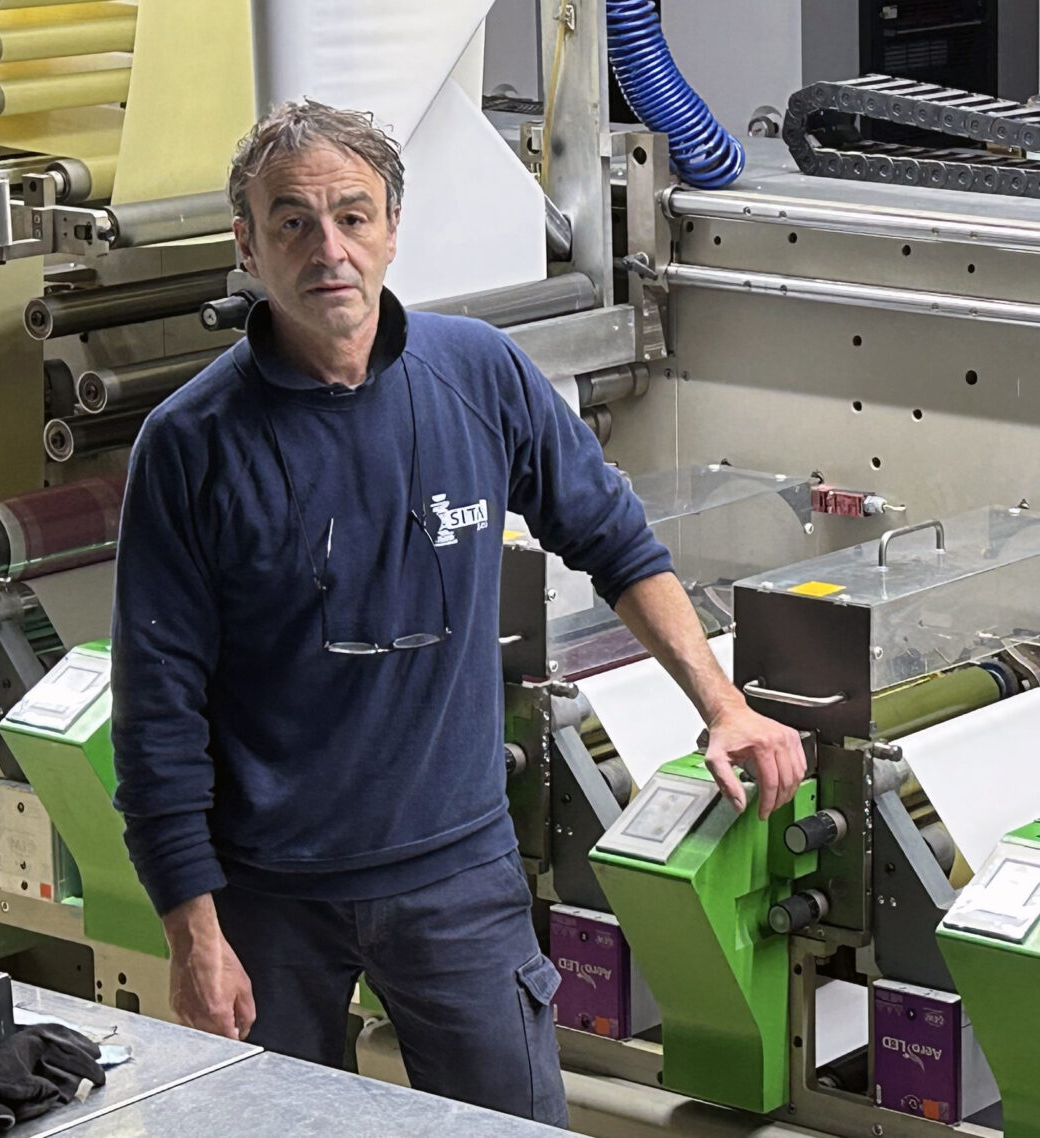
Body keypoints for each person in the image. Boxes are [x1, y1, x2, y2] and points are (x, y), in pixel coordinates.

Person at [109, 100, 808, 1124]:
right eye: (292, 221)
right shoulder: (190, 444)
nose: (329, 249)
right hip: (269, 898)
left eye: (353, 215)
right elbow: (155, 712)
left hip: (456, 877)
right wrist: (192, 934)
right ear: (246, 246)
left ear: (394, 227)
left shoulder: (477, 375)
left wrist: (722, 703)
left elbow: (616, 542)